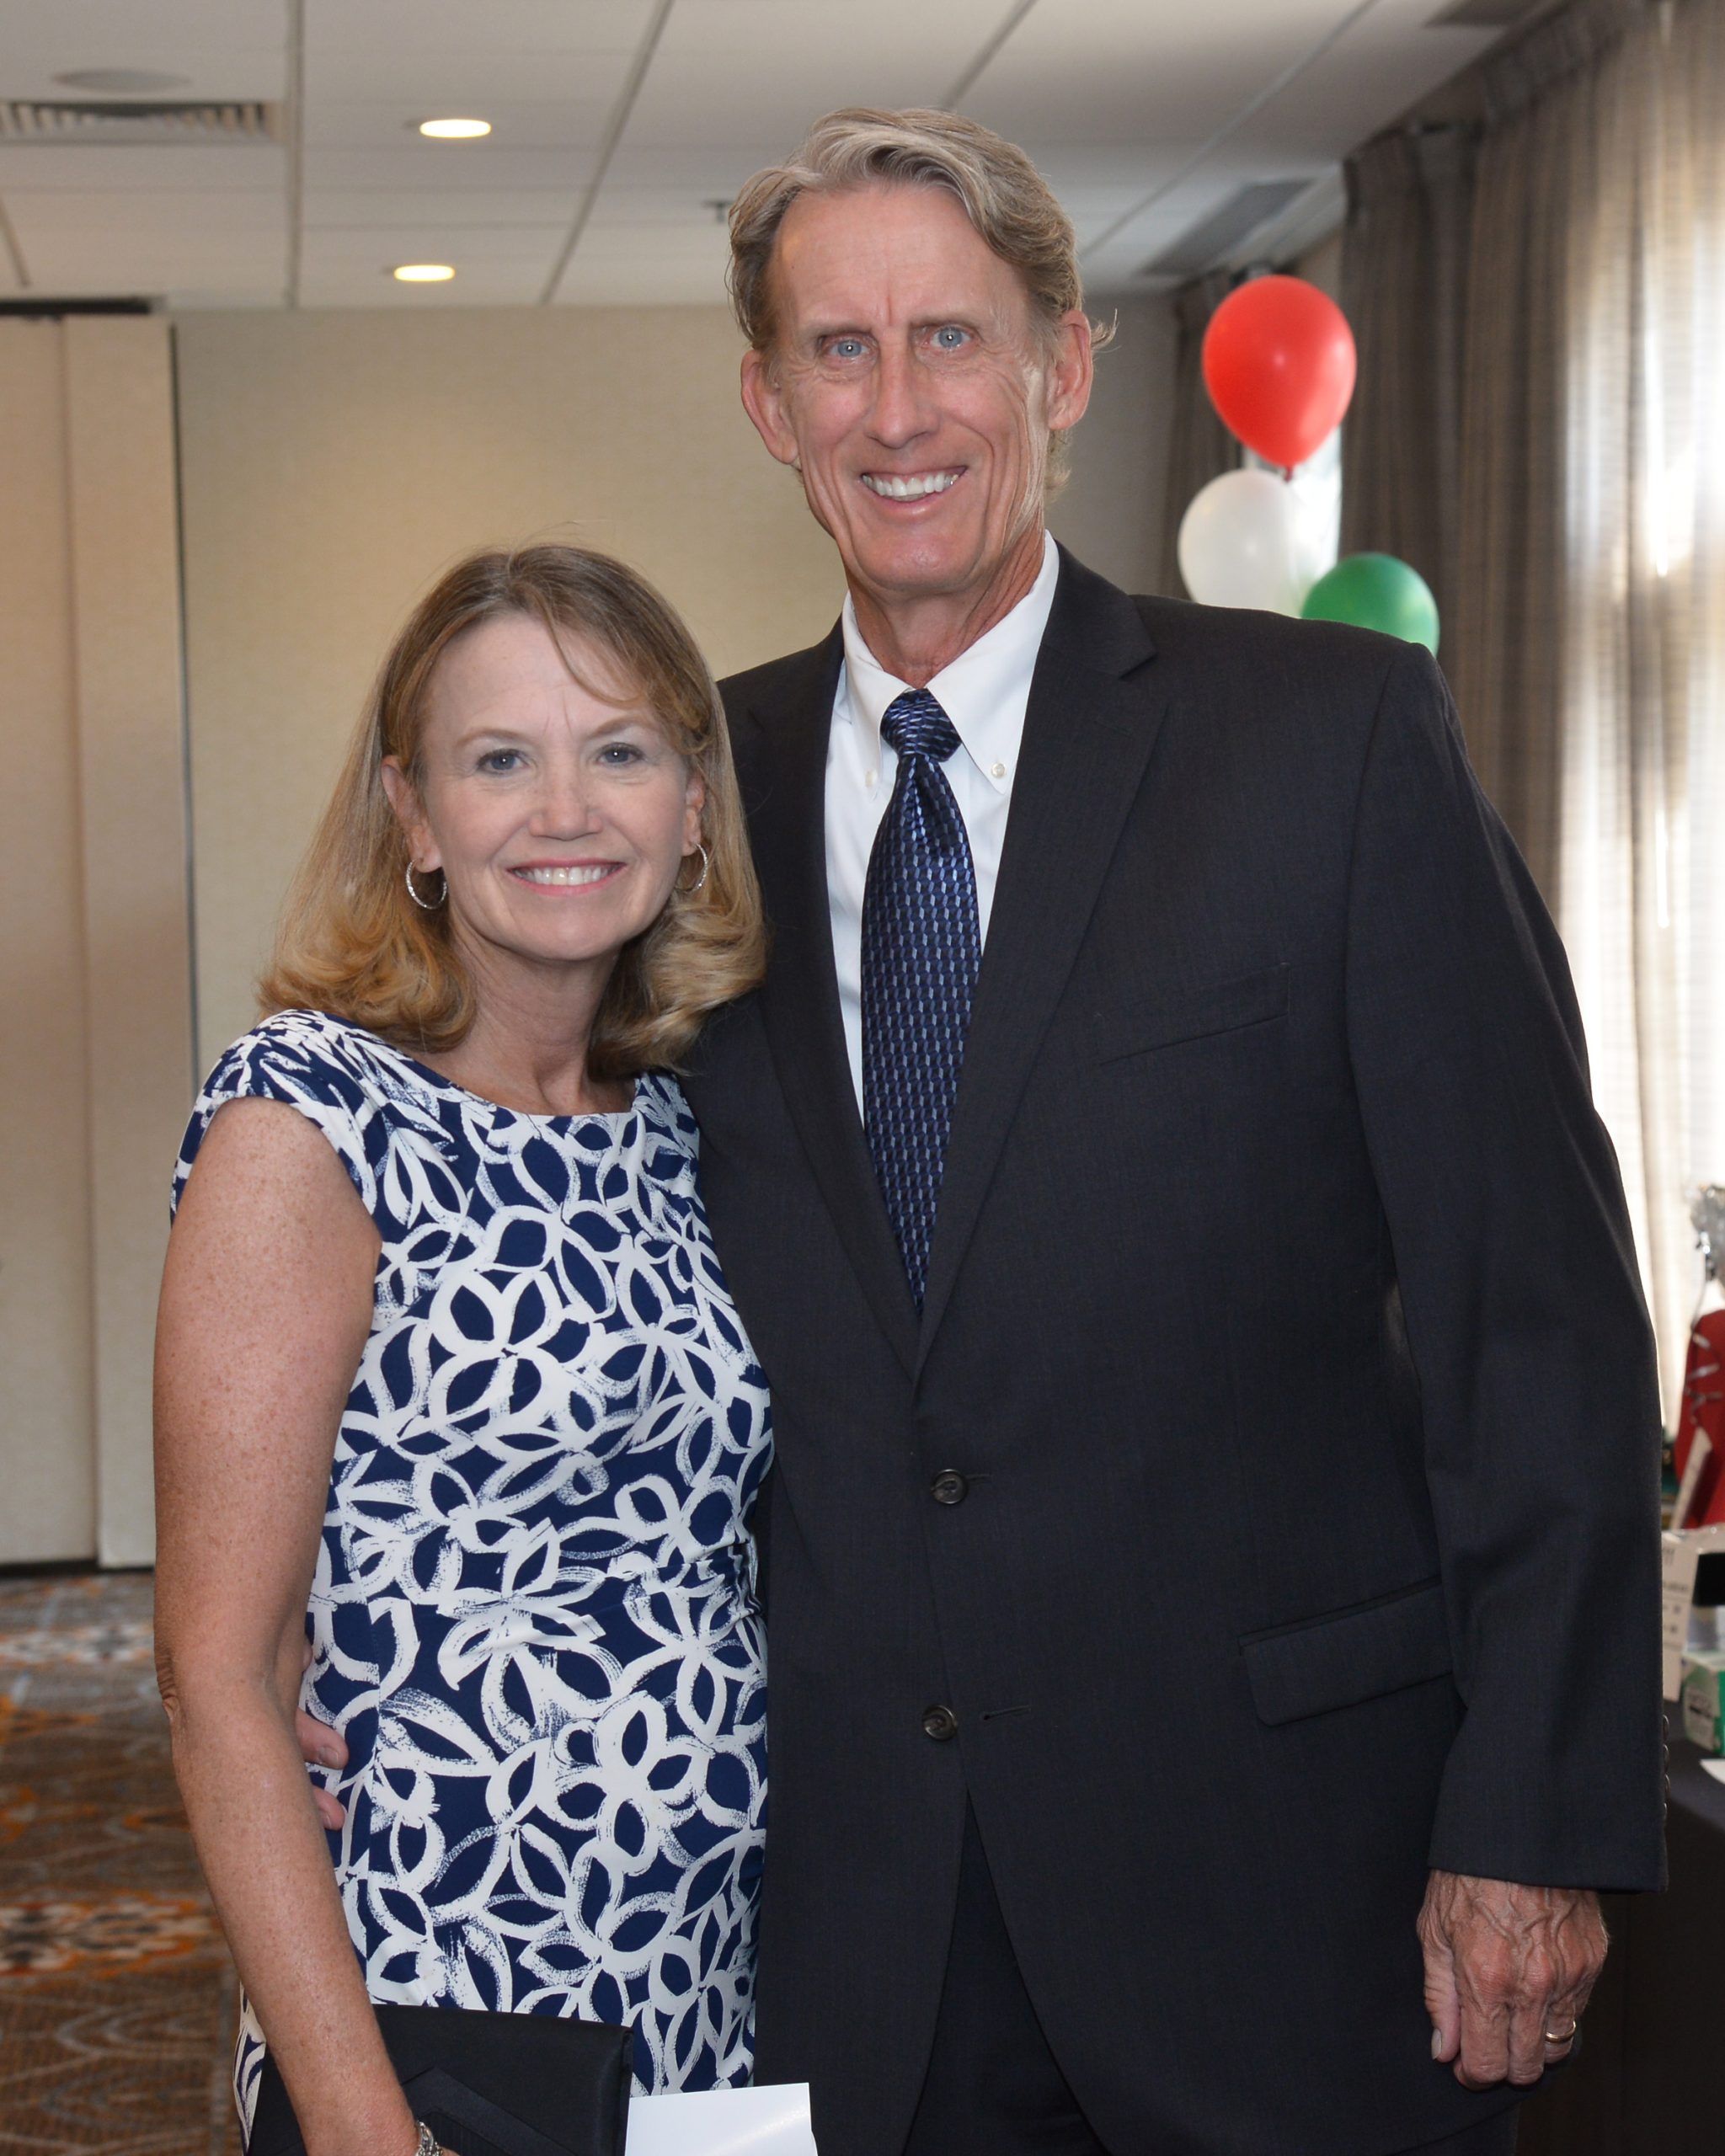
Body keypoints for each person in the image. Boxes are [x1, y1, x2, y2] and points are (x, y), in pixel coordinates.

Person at [296, 109, 1664, 2156]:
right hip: (851, 1926)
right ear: (769, 404)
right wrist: (344, 1629)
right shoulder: (679, 800)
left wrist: (1537, 1817)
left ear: (1064, 364)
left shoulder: (1329, 745)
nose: (897, 406)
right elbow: (512, 1200)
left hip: (1287, 1897)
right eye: (836, 350)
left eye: (950, 336)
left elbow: (1534, 1323)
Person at [153, 544, 772, 2156]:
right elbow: (218, 1680)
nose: (565, 811)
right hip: (434, 1998)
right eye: (499, 760)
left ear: (694, 807)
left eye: (619, 750)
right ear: (414, 816)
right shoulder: (309, 1115)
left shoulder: (686, 1126)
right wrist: (365, 2130)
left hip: (700, 2000)